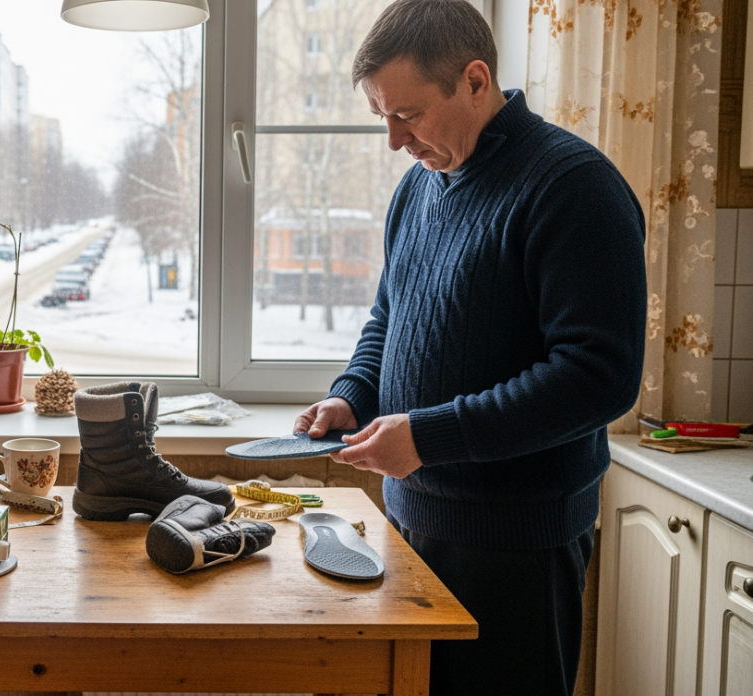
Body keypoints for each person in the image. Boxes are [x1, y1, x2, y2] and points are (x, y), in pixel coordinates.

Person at [293, 2, 646, 694]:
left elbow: (598, 377)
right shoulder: (418, 187)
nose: (394, 140)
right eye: (382, 118)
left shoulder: (573, 187)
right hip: (409, 523)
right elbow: (387, 320)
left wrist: (428, 436)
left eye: (408, 115)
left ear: (476, 81)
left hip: (517, 547)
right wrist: (350, 394)